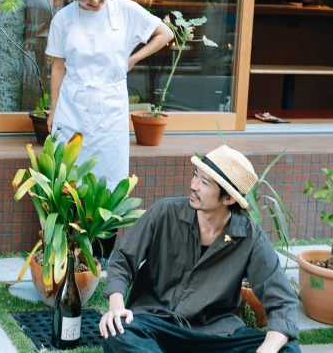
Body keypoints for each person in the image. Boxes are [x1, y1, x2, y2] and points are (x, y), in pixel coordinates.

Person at [99, 144, 300, 353]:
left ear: (228, 198)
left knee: (288, 349)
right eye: (196, 175)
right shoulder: (164, 213)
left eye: (205, 182)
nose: (194, 185)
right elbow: (122, 260)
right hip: (156, 323)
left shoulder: (249, 237)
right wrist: (116, 308)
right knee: (117, 331)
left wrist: (266, 349)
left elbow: (283, 301)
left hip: (216, 334)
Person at [46, 0, 174, 188]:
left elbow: (165, 33)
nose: (94, 1)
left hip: (110, 107)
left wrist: (132, 59)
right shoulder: (63, 19)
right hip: (72, 106)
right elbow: (57, 66)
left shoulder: (125, 9)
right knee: (67, 177)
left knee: (109, 179)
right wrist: (53, 110)